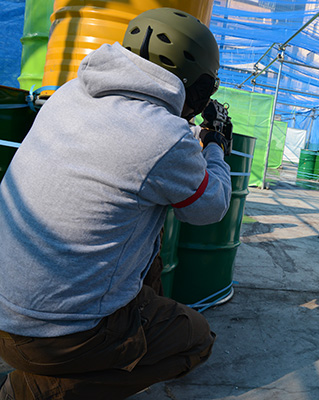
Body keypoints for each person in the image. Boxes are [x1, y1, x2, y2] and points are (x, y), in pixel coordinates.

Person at [0, 8, 232, 399]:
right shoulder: (166, 136)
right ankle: (33, 390)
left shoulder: (71, 94)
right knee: (195, 339)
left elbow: (131, 144)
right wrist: (215, 148)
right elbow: (209, 208)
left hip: (7, 304)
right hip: (49, 336)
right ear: (195, 84)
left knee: (145, 239)